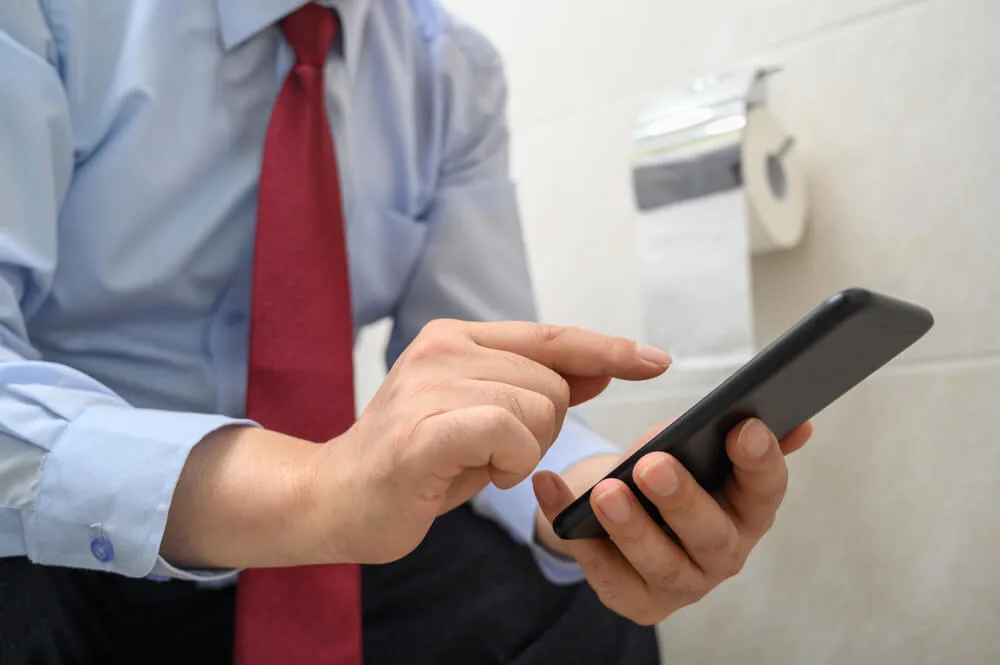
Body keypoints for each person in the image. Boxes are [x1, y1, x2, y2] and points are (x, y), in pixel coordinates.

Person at [0, 1, 813, 664]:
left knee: (584, 613)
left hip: (319, 531)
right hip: (65, 542)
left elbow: (485, 371)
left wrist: (600, 496)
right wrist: (316, 487)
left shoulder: (451, 70)